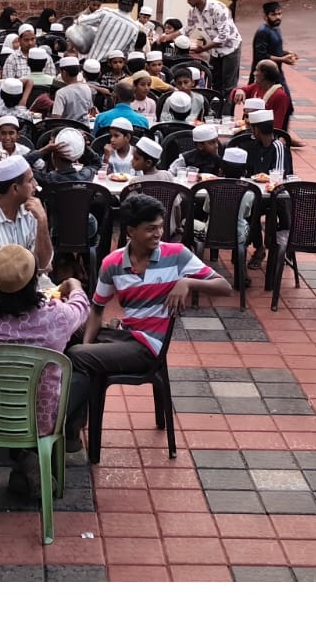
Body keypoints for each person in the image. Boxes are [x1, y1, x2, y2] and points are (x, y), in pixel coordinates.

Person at [64, 193, 232, 450]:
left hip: (148, 346)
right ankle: (71, 432)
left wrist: (187, 282)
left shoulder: (176, 255)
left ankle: (59, 426)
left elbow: (224, 287)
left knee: (77, 355)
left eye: (160, 227)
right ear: (131, 231)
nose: (158, 234)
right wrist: (88, 343)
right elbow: (97, 310)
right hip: (124, 335)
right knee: (68, 335)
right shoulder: (113, 263)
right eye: (151, 229)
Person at [0, 245, 92, 494]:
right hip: (43, 419)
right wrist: (74, 285)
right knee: (82, 373)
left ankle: (23, 456)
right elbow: (82, 307)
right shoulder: (57, 318)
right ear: (34, 283)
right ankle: (63, 443)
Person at [0, 155, 53, 277]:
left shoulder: (33, 212)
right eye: (30, 180)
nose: (36, 185)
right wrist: (30, 269)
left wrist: (42, 221)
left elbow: (43, 264)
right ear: (15, 188)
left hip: (35, 285)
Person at [183, 0, 242, 94]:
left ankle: (227, 105)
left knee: (228, 84)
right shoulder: (193, 12)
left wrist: (203, 48)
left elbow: (223, 36)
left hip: (230, 48)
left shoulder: (217, 8)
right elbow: (187, 29)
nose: (188, 1)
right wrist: (170, 37)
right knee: (215, 81)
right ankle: (216, 104)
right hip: (214, 50)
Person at [79, 0, 143, 62]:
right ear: (132, 6)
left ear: (118, 1)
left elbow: (81, 21)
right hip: (112, 65)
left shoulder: (105, 12)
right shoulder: (134, 28)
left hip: (92, 61)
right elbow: (129, 51)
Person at [29, 128, 98, 185]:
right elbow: (97, 163)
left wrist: (44, 150)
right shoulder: (86, 175)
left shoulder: (46, 179)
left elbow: (22, 165)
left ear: (53, 154)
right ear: (76, 158)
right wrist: (83, 146)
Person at [250, 0, 296, 83]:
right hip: (263, 77)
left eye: (279, 14)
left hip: (276, 74)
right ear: (265, 16)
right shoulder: (263, 32)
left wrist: (287, 53)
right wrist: (282, 59)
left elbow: (273, 50)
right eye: (273, 15)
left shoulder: (276, 29)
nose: (277, 17)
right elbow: (261, 56)